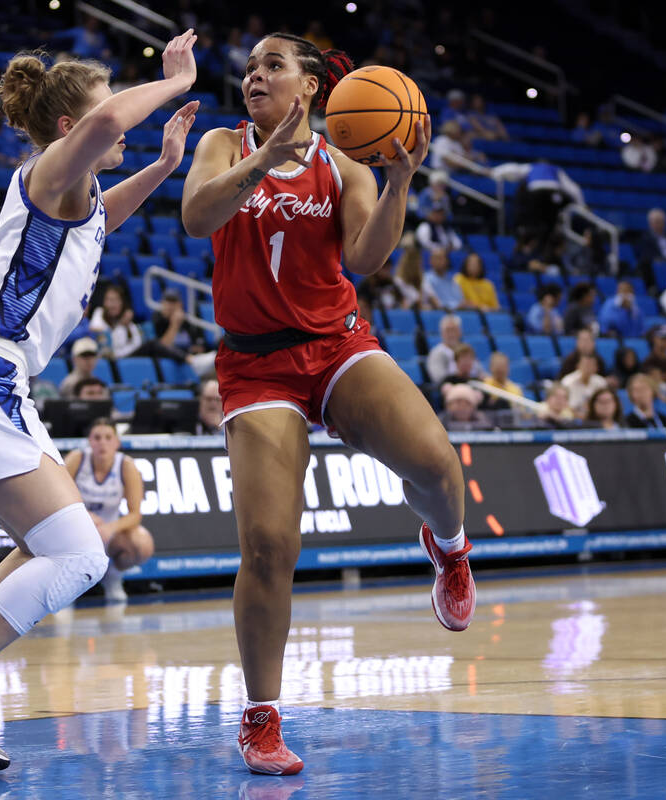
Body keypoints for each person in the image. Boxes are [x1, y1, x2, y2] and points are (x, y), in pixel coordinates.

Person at [0, 31, 201, 790]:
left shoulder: (79, 198)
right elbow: (102, 127)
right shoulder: (48, 171)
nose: (117, 127)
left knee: (41, 547)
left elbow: (102, 221)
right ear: (70, 129)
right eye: (106, 116)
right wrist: (171, 82)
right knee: (82, 555)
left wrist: (160, 167)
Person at [181, 32, 474, 776]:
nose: (255, 76)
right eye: (249, 67)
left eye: (273, 65)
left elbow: (365, 260)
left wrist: (400, 180)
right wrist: (262, 158)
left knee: (439, 465)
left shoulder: (345, 165)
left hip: (336, 344)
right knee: (270, 546)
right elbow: (196, 218)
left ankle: (449, 551)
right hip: (256, 365)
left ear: (312, 87)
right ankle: (261, 719)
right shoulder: (222, 143)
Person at [65, 419, 154, 602]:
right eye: (97, 438)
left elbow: (135, 514)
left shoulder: (127, 466)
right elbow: (56, 498)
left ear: (117, 442)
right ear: (89, 441)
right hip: (75, 529)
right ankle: (65, 585)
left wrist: (110, 528)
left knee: (142, 544)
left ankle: (112, 576)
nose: (102, 443)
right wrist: (86, 517)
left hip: (106, 533)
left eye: (108, 438)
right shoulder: (76, 459)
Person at [88, 284, 143, 358]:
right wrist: (120, 325)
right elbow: (100, 333)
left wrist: (124, 325)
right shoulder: (99, 313)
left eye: (116, 300)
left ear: (122, 303)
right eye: (110, 300)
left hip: (126, 360)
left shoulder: (128, 323)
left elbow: (137, 345)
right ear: (104, 302)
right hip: (104, 359)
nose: (112, 305)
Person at [561, 352, 608, 417]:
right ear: (578, 366)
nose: (588, 368)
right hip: (572, 417)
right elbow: (564, 404)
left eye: (591, 365)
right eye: (586, 365)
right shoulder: (568, 381)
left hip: (595, 417)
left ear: (596, 368)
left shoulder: (601, 382)